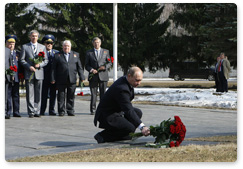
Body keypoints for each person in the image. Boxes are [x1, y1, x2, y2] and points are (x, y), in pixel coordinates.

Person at [94, 66, 150, 143]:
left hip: (117, 111)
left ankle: (126, 135)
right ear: (129, 76)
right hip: (107, 115)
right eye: (137, 80)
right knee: (129, 128)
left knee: (137, 112)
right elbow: (128, 109)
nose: (139, 83)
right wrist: (142, 127)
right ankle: (103, 136)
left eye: (140, 80)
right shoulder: (122, 88)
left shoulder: (126, 81)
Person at [51, 40, 85, 116]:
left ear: (70, 47)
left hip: (72, 78)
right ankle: (61, 111)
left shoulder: (75, 55)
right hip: (61, 79)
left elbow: (79, 67)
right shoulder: (57, 55)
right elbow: (53, 68)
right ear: (62, 47)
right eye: (65, 46)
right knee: (61, 96)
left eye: (68, 46)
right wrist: (52, 78)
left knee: (71, 95)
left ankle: (70, 110)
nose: (66, 47)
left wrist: (82, 76)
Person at [20, 30, 48, 118]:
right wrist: (29, 66)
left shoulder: (42, 47)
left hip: (39, 73)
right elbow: (22, 60)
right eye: (32, 36)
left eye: (36, 36)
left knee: (38, 93)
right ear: (30, 37)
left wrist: (39, 65)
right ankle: (31, 111)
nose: (34, 37)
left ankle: (37, 111)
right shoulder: (25, 47)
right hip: (29, 73)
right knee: (30, 93)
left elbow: (46, 60)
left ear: (38, 37)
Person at [85, 37, 112, 115]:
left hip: (103, 76)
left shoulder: (106, 52)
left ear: (100, 43)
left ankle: (102, 109)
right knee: (93, 94)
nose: (96, 44)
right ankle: (93, 110)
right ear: (93, 43)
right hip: (93, 76)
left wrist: (105, 67)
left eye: (98, 42)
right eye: (95, 42)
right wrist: (91, 70)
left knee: (103, 94)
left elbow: (109, 62)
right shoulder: (89, 52)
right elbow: (86, 65)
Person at [40, 35, 59, 116]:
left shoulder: (56, 53)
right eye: (47, 43)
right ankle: (42, 110)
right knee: (43, 95)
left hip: (53, 77)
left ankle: (52, 109)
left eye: (51, 43)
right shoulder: (40, 53)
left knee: (53, 94)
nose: (49, 45)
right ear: (44, 43)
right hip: (43, 76)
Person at [5, 34, 22, 118]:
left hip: (16, 77)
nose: (11, 45)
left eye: (13, 43)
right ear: (6, 44)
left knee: (16, 95)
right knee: (7, 95)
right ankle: (8, 111)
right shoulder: (4, 53)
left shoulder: (18, 53)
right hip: (7, 77)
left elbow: (20, 66)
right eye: (9, 43)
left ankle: (16, 111)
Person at [5, 47, 11, 119]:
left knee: (5, 96)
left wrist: (11, 74)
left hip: (5, 76)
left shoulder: (7, 50)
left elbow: (10, 63)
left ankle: (5, 111)